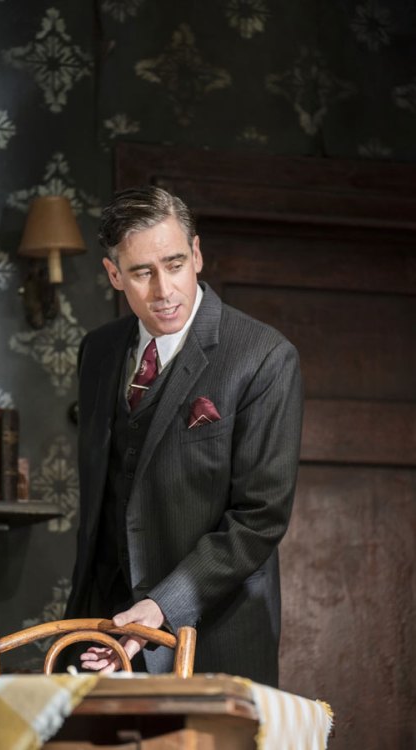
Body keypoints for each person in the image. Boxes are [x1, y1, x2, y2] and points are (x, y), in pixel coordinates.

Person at [64, 186, 303, 685]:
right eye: (141, 272)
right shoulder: (98, 352)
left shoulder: (263, 356)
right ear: (113, 274)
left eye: (174, 264)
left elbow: (259, 518)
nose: (164, 290)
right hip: (103, 633)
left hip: (216, 634)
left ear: (196, 254)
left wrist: (162, 605)